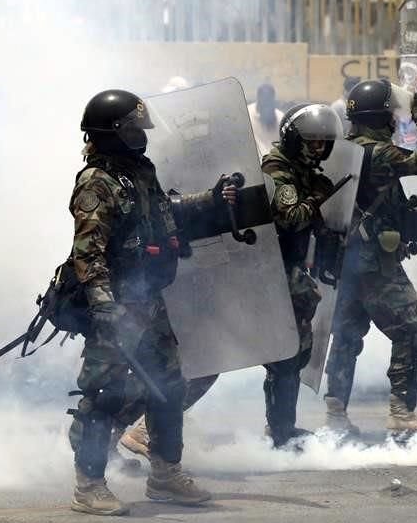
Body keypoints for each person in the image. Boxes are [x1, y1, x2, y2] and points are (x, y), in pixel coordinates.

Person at [119, 104, 343, 452]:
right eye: (311, 141)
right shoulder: (276, 169)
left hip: (278, 281)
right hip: (253, 278)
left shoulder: (308, 175)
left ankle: (282, 431)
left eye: (323, 143)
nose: (317, 149)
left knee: (288, 356)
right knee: (209, 358)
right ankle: (142, 428)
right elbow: (289, 217)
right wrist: (316, 200)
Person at [68, 89, 213, 515]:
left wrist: (210, 200)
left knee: (170, 385)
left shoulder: (140, 172)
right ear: (112, 132)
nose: (141, 135)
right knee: (104, 393)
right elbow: (88, 254)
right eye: (133, 128)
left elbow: (165, 215)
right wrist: (104, 307)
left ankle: (165, 475)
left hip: (148, 299)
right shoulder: (97, 183)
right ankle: (89, 485)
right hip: (116, 304)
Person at [322, 79, 417, 434]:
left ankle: (335, 414)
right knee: (409, 331)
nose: (394, 120)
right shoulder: (380, 153)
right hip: (376, 264)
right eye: (390, 114)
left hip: (345, 263)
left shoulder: (342, 150)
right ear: (379, 117)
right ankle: (401, 412)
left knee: (346, 336)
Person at [249, 82, 285, 153]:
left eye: (268, 100)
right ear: (258, 99)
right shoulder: (248, 115)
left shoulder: (281, 118)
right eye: (264, 100)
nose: (266, 105)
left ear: (273, 100)